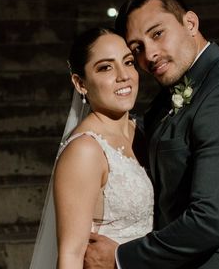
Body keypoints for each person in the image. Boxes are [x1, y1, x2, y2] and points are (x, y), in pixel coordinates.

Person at [84, 0, 219, 269]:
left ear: (190, 23)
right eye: (137, 48)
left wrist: (120, 258)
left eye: (157, 33)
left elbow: (212, 220)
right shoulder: (171, 93)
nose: (150, 54)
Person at [29, 28, 154, 269]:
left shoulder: (144, 131)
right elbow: (71, 256)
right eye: (105, 67)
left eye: (128, 62)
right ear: (80, 83)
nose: (123, 75)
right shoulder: (85, 150)